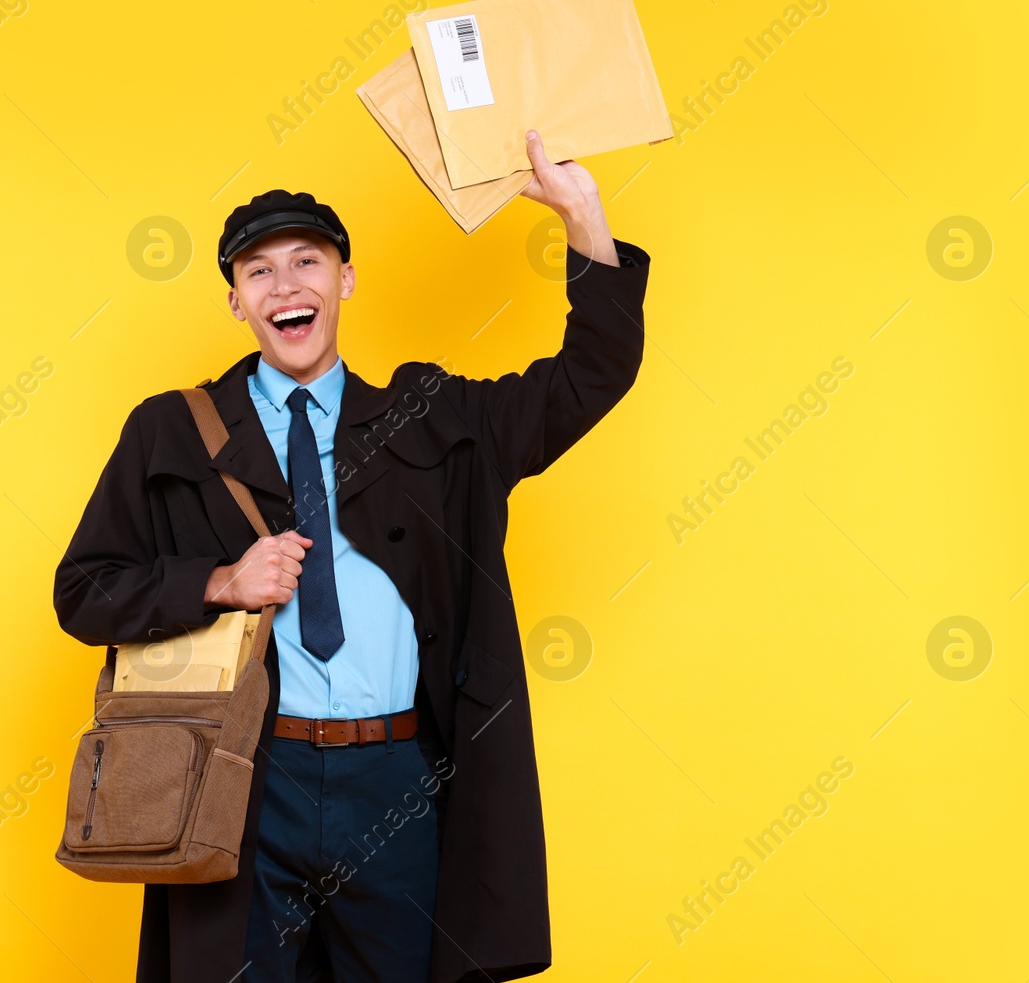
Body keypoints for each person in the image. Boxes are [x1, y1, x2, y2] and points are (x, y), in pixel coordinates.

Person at [54, 130, 650, 982]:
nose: (285, 286)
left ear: (345, 281)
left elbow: (591, 374)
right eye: (258, 272)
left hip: (398, 781)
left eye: (307, 263)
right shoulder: (172, 431)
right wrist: (218, 582)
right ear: (235, 302)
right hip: (249, 781)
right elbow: (84, 593)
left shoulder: (434, 417)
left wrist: (580, 211)